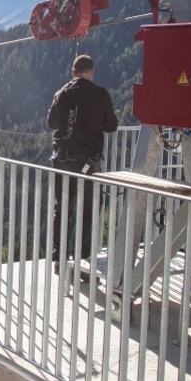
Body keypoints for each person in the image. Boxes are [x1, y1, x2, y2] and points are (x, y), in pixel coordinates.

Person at [47, 54, 117, 270]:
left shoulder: (62, 93)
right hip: (88, 162)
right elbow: (111, 126)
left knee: (62, 208)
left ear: (73, 72)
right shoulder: (100, 94)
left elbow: (51, 122)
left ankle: (59, 257)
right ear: (92, 72)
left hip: (61, 158)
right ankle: (84, 259)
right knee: (88, 208)